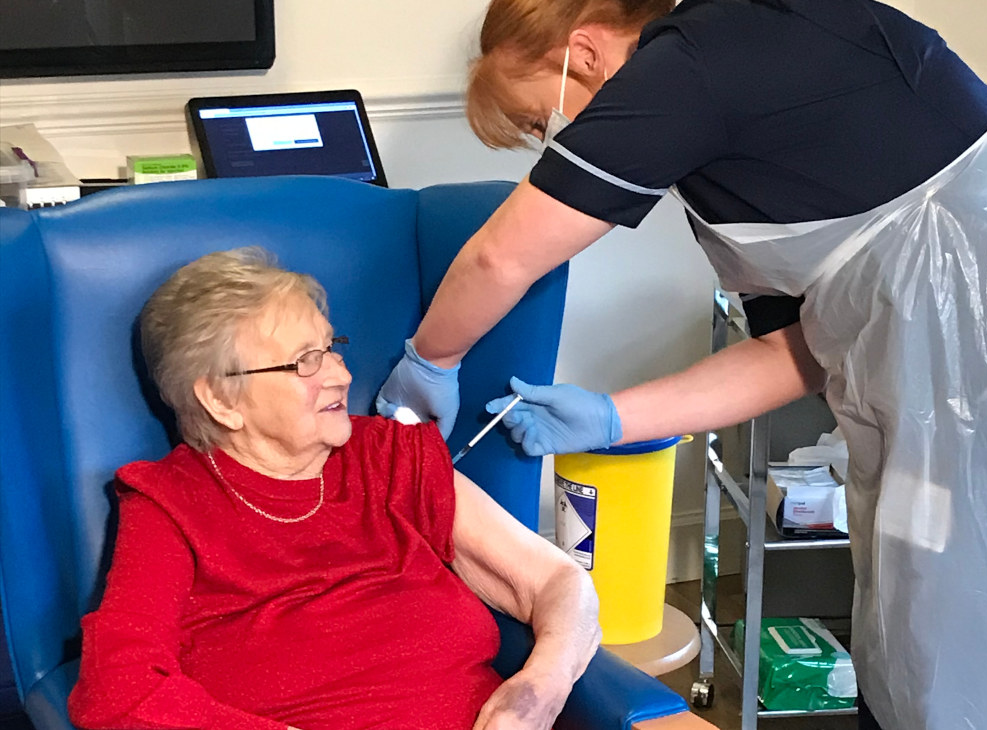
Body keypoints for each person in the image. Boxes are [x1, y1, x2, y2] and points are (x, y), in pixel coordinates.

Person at [375, 1, 987, 729]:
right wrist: (612, 418)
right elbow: (795, 352)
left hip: (972, 351)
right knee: (923, 629)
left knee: (956, 643)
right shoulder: (739, 118)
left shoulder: (698, 58)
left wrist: (433, 356)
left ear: (585, 52)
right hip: (929, 374)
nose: (570, 139)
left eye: (550, 118)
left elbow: (500, 255)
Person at [67, 247, 603, 730]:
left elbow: (559, 582)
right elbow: (118, 692)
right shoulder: (170, 505)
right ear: (221, 401)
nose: (341, 377)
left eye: (331, 347)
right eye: (305, 362)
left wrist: (539, 692)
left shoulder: (392, 457)